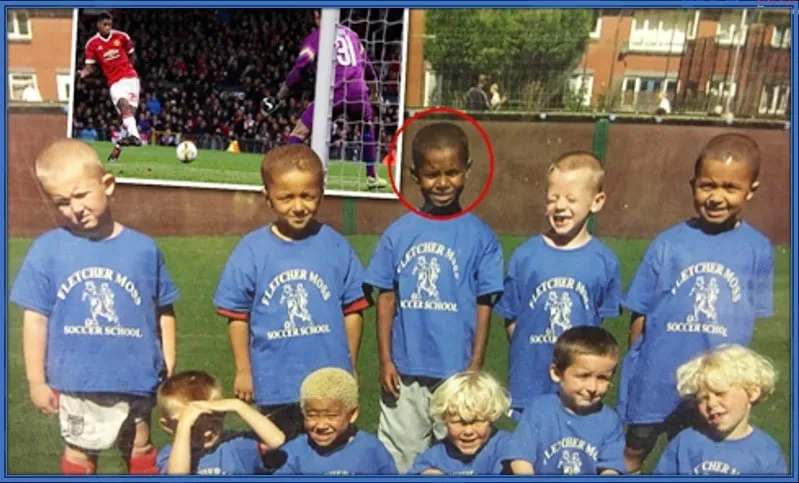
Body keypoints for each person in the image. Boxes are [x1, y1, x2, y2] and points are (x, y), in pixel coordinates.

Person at [9, 138, 179, 474]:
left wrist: (168, 362)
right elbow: (35, 320)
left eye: (81, 195)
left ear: (108, 185)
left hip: (136, 376)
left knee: (140, 444)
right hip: (78, 379)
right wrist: (35, 381)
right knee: (80, 453)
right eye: (61, 202)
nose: (75, 208)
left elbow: (164, 310)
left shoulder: (143, 249)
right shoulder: (47, 250)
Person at [618, 133, 774, 473]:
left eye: (731, 188)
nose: (716, 197)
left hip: (714, 388)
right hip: (658, 381)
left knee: (701, 458)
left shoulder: (758, 249)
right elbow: (640, 314)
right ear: (693, 185)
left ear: (751, 190)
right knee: (632, 450)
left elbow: (750, 319)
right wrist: (641, 370)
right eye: (707, 186)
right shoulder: (668, 243)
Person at [213, 144, 370, 471]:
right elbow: (237, 316)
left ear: (321, 193)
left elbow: (353, 311)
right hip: (275, 381)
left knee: (331, 458)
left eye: (308, 196)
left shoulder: (336, 245)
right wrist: (244, 370)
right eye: (287, 198)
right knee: (279, 458)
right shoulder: (252, 250)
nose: (298, 206)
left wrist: (351, 363)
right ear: (268, 196)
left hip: (327, 378)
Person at [364, 122, 504, 472]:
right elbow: (385, 298)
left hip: (455, 371)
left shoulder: (480, 236)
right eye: (431, 174)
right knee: (401, 456)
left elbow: (483, 303)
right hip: (405, 371)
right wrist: (385, 360)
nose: (442, 183)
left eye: (452, 172)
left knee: (459, 456)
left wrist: (474, 364)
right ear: (414, 176)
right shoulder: (399, 233)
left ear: (467, 171)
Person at [494, 151, 621, 420]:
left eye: (571, 199)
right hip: (530, 381)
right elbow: (512, 321)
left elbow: (597, 325)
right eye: (553, 198)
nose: (560, 206)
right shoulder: (525, 256)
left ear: (597, 202)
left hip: (579, 387)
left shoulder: (604, 261)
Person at [267, 10, 388, 190]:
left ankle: (286, 176)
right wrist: (375, 97)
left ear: (316, 15)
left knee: (299, 133)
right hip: (358, 90)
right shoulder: (352, 35)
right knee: (367, 125)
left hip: (334, 90)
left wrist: (280, 96)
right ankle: (371, 176)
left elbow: (300, 67)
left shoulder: (317, 37)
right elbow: (370, 71)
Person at [508, 326, 626, 475]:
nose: (592, 387)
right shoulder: (539, 410)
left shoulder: (609, 421)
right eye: (583, 376)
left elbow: (611, 468)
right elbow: (520, 458)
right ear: (557, 373)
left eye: (602, 378)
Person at [654, 345, 787, 475]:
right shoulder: (686, 443)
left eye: (720, 393)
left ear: (752, 393)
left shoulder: (766, 451)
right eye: (703, 398)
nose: (711, 403)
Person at [155, 370, 286, 475]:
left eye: (213, 421)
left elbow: (277, 440)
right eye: (194, 427)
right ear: (168, 426)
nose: (206, 432)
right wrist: (184, 425)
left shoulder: (236, 442)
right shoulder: (172, 454)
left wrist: (238, 406)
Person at [275, 367, 398, 474]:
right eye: (312, 415)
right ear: (303, 413)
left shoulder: (372, 450)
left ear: (352, 414)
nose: (321, 425)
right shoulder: (293, 454)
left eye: (331, 416)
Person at [409, 371, 518, 475]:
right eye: (459, 422)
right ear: (444, 419)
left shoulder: (510, 447)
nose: (468, 431)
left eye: (477, 422)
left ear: (493, 417)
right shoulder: (433, 459)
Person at [80, 10, 142, 163]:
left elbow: (132, 54)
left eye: (110, 25)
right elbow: (90, 67)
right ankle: (136, 137)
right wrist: (83, 73)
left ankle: (117, 150)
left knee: (128, 120)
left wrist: (127, 69)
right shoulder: (92, 44)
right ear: (98, 25)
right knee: (124, 106)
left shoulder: (122, 37)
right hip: (115, 83)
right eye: (105, 25)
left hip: (132, 79)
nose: (108, 27)